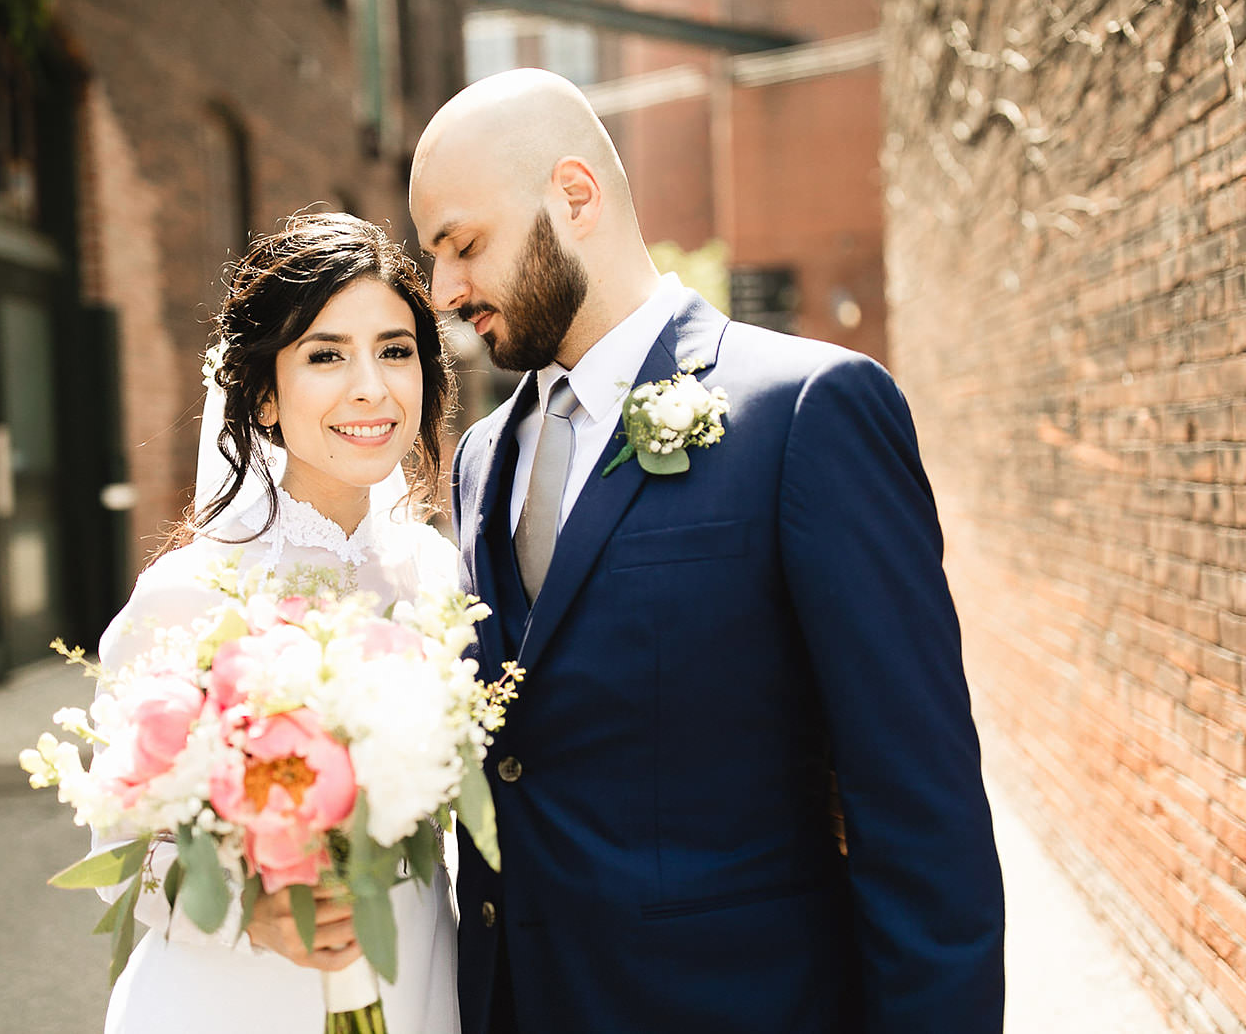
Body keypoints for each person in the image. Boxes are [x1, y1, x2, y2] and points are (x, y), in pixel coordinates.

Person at [409, 68, 1005, 1033]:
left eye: (463, 245)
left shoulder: (808, 413)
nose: (444, 292)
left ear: (575, 195)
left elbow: (920, 813)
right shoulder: (481, 456)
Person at [91, 212, 462, 1034]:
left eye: (395, 350)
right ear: (263, 391)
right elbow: (115, 855)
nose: (371, 385)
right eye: (326, 354)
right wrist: (248, 915)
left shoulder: (442, 577)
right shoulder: (193, 593)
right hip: (237, 995)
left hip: (415, 976)